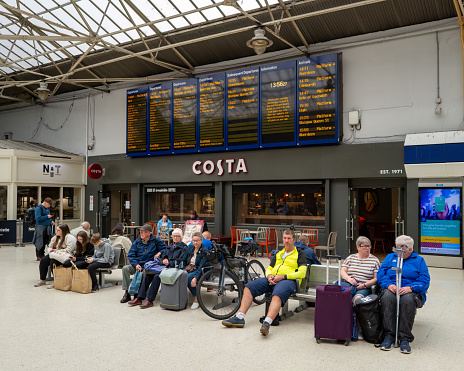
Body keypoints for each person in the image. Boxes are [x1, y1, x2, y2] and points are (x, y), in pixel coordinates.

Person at [222, 230, 307, 336]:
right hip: (272, 278)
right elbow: (270, 268)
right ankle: (240, 317)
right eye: (285, 238)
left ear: (294, 240)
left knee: (277, 294)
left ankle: (267, 323)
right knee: (248, 287)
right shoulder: (279, 253)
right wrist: (269, 275)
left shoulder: (300, 253)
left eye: (289, 238)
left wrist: (283, 276)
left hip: (288, 280)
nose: (286, 241)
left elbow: (302, 273)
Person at [377, 235, 430, 354]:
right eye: (397, 249)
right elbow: (381, 273)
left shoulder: (419, 260)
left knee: (407, 300)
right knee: (387, 298)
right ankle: (389, 335)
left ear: (410, 249)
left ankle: (405, 337)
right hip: (391, 287)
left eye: (402, 250)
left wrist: (411, 288)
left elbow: (425, 280)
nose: (399, 252)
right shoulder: (390, 257)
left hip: (411, 290)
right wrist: (388, 285)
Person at [129, 228, 187, 309]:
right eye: (174, 236)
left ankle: (150, 300)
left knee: (157, 276)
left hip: (173, 268)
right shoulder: (169, 246)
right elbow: (160, 258)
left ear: (181, 237)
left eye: (177, 236)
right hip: (163, 267)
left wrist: (168, 262)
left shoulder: (184, 248)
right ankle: (139, 298)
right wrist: (163, 260)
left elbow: (182, 261)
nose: (175, 238)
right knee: (148, 275)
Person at [120, 224, 166, 303]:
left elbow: (165, 249)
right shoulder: (137, 241)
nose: (141, 233)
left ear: (149, 233)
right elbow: (131, 255)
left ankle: (138, 294)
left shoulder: (155, 240)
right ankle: (127, 293)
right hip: (137, 264)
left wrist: (159, 253)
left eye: (144, 232)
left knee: (145, 272)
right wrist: (136, 264)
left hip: (148, 266)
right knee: (125, 269)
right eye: (141, 231)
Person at [340, 236, 380, 304]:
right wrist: (349, 279)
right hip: (349, 284)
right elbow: (342, 271)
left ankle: (353, 313)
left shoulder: (374, 261)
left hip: (364, 287)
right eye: (365, 246)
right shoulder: (351, 258)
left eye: (369, 246)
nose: (368, 248)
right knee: (343, 294)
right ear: (358, 247)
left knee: (357, 299)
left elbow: (376, 279)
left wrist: (364, 285)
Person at [179, 232, 207, 310]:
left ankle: (196, 299)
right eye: (194, 240)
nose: (195, 242)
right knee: (180, 276)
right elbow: (184, 259)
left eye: (197, 240)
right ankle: (180, 299)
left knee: (188, 278)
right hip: (188, 268)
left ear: (201, 240)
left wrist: (195, 278)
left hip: (199, 270)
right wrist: (181, 269)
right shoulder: (190, 247)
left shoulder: (204, 250)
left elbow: (201, 266)